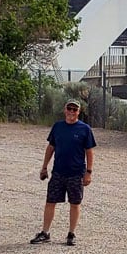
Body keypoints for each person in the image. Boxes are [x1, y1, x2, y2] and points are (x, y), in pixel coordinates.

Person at [30, 99, 96, 246]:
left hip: (76, 173)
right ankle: (45, 233)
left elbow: (89, 152)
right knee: (50, 202)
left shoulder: (85, 129)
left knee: (75, 203)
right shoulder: (57, 127)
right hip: (58, 172)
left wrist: (88, 172)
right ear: (64, 110)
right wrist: (44, 167)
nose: (72, 112)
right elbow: (51, 147)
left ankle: (71, 234)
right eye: (69, 109)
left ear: (79, 112)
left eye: (75, 109)